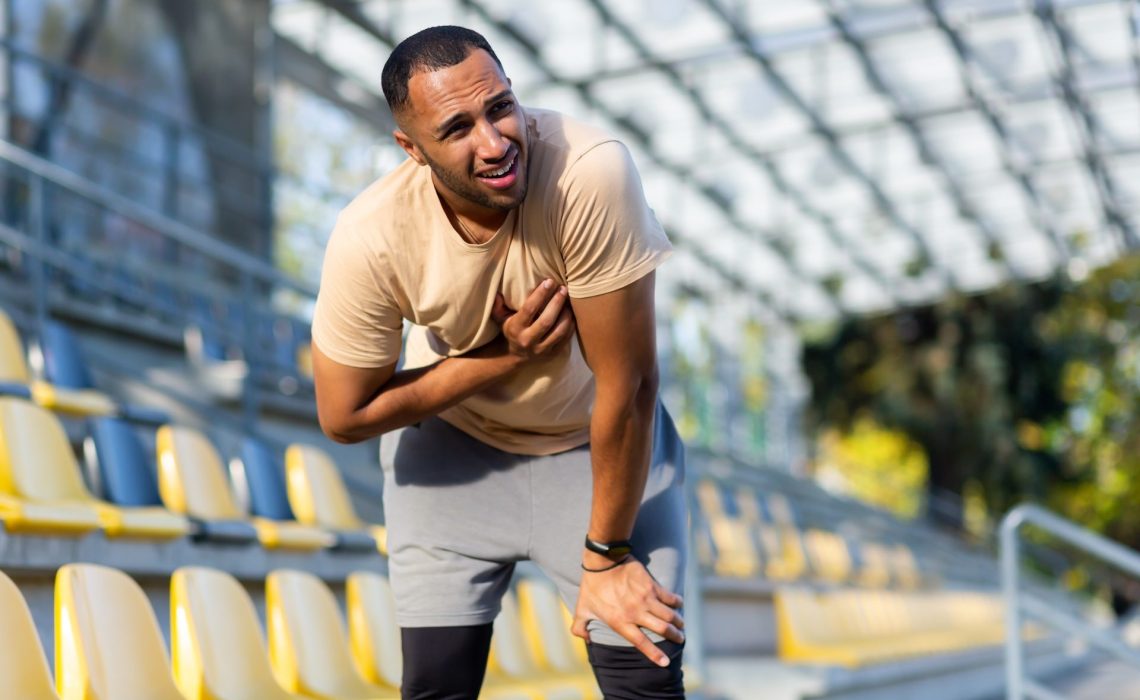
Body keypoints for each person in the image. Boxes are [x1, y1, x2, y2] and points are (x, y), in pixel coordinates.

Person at [311, 25, 687, 699]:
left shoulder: (587, 172)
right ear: (412, 149)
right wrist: (500, 358)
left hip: (596, 451)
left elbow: (629, 390)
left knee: (646, 684)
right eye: (457, 129)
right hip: (457, 458)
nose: (493, 142)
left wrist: (608, 554)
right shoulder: (370, 237)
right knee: (435, 690)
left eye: (500, 108)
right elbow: (343, 415)